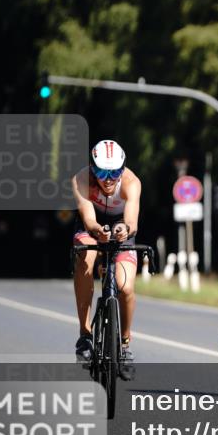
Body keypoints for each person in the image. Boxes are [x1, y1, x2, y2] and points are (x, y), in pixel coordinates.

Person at [72, 139, 142, 379]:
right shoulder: (81, 179)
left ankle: (124, 344)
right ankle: (85, 334)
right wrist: (96, 231)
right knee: (84, 258)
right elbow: (89, 219)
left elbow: (132, 221)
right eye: (102, 171)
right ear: (93, 169)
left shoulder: (131, 183)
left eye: (115, 172)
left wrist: (124, 229)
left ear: (122, 169)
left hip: (122, 226)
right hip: (91, 225)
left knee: (125, 287)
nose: (109, 178)